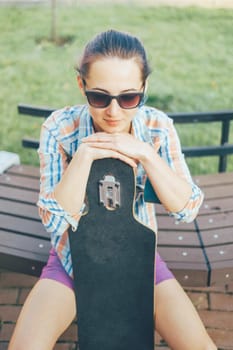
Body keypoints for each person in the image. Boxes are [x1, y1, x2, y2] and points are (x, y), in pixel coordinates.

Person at [9, 29, 217, 350]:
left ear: (144, 88)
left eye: (129, 97)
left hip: (138, 261)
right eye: (100, 97)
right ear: (82, 85)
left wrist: (145, 152)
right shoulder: (59, 128)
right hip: (73, 262)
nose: (114, 112)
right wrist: (84, 154)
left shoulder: (157, 127)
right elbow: (53, 222)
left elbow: (187, 207)